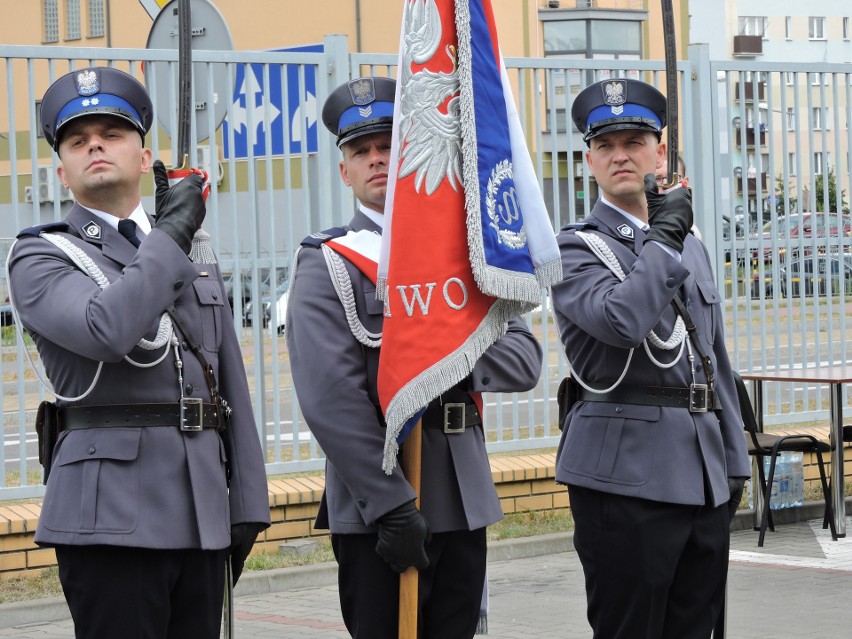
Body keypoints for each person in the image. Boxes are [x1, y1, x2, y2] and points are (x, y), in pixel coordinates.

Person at [9, 67, 270, 639]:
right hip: (108, 517)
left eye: (111, 133)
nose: (95, 145)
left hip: (201, 507)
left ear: (144, 153)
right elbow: (107, 329)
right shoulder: (40, 255)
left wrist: (248, 500)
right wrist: (169, 239)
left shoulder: (188, 248)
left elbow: (227, 380)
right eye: (77, 141)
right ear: (62, 170)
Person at [286, 76, 543, 639]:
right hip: (383, 497)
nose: (377, 159)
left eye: (388, 145)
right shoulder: (328, 263)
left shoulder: (467, 255)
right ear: (344, 171)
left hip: (462, 488)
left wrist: (444, 350)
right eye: (362, 152)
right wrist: (389, 504)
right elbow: (331, 401)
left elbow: (525, 360)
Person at [551, 78, 751, 639]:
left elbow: (714, 360)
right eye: (607, 145)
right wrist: (662, 240)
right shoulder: (573, 248)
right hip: (624, 478)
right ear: (589, 159)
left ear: (659, 152)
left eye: (635, 141)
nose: (621, 155)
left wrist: (735, 461)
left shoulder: (691, 242)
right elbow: (621, 321)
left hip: (703, 477)